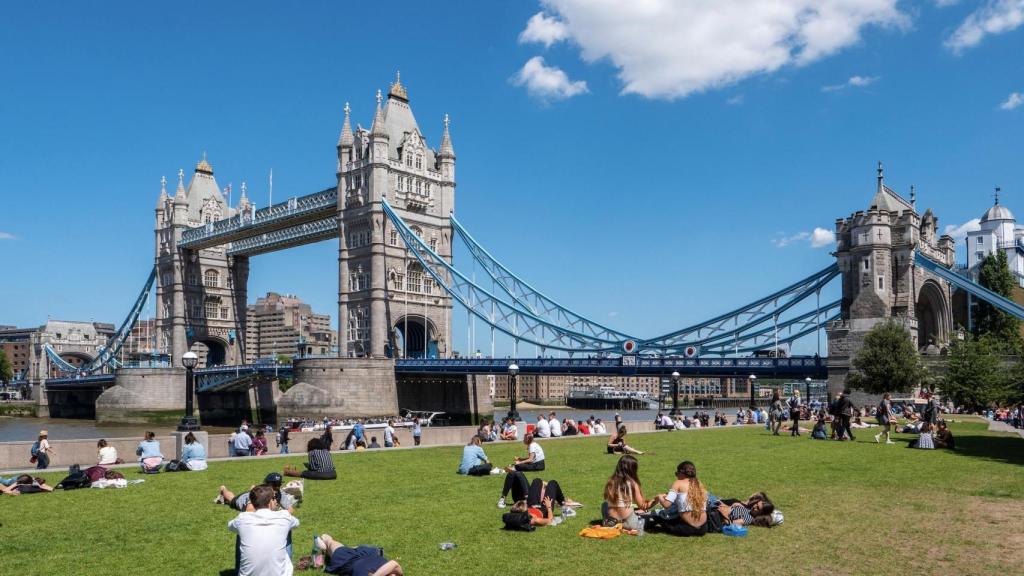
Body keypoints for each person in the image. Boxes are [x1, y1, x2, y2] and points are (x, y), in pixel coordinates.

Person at [228, 484, 300, 576]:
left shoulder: (242, 519)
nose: (276, 501)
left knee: (241, 532)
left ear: (252, 502)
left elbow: (230, 526)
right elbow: (297, 523)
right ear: (270, 502)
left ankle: (238, 568)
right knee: (287, 530)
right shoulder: (284, 517)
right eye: (274, 498)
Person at [646, 461, 708, 537]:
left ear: (681, 473)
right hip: (703, 529)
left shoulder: (678, 483)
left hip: (686, 528)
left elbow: (666, 504)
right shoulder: (698, 483)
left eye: (677, 473)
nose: (676, 476)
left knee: (657, 515)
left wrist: (659, 497)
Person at [601, 455, 652, 531]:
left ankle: (609, 521)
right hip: (630, 523)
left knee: (605, 504)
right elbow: (643, 506)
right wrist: (656, 500)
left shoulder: (610, 482)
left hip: (612, 520)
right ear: (633, 469)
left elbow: (616, 501)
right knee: (653, 515)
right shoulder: (633, 484)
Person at [316, 533, 403, 576]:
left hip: (348, 559)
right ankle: (325, 545)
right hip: (368, 553)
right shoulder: (396, 572)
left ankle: (324, 544)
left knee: (329, 541)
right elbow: (394, 563)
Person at [216, 472, 297, 513]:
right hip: (242, 500)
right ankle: (223, 489)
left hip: (254, 492)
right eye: (274, 484)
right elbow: (249, 511)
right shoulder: (259, 493)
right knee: (231, 499)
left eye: (279, 484)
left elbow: (290, 510)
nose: (276, 487)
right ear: (266, 484)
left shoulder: (280, 493)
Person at [497, 470, 581, 510]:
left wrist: (566, 501)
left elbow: (555, 502)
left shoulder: (549, 498)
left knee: (518, 474)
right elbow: (545, 484)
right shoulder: (546, 488)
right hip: (527, 494)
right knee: (514, 473)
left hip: (531, 500)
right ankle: (502, 498)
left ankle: (526, 498)